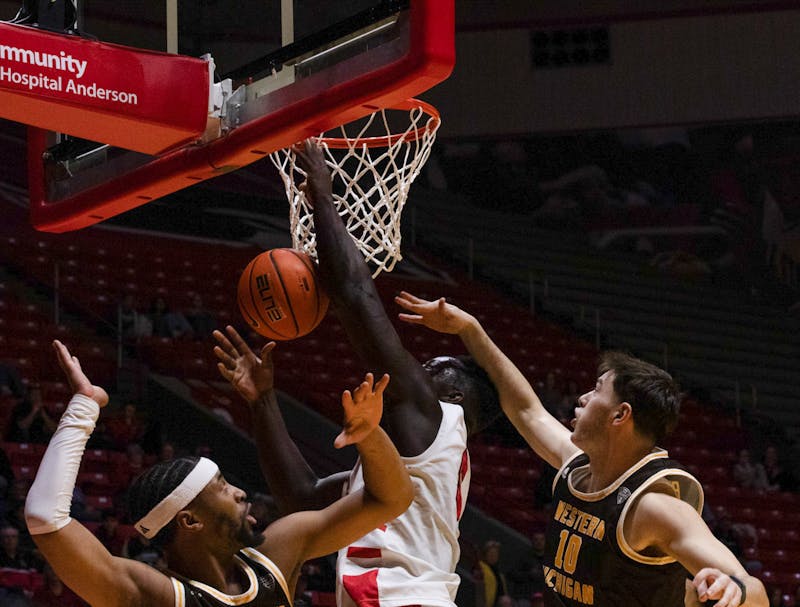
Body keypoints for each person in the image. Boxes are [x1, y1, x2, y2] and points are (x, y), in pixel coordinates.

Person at [212, 139, 502, 607]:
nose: (418, 369)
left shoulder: (435, 418)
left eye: (432, 369)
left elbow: (355, 295)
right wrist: (262, 401)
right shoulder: (416, 462)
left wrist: (322, 195)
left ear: (454, 393)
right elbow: (304, 502)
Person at [394, 293, 768, 607]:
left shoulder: (653, 506)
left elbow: (755, 591)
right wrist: (469, 329)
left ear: (620, 415)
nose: (583, 397)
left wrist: (730, 588)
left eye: (597, 391)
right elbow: (526, 409)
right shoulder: (577, 469)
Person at [23, 340, 413, 607]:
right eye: (222, 487)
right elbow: (46, 516)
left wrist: (371, 435)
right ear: (189, 520)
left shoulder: (276, 552)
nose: (241, 492)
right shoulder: (156, 595)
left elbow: (392, 498)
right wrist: (84, 408)